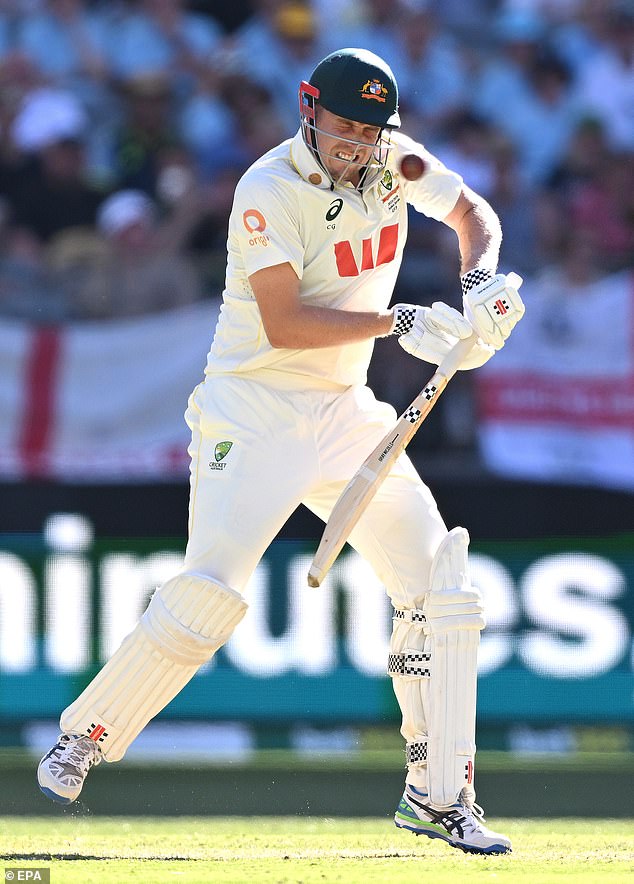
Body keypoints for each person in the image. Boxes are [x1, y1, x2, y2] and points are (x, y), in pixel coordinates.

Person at [37, 48, 524, 855]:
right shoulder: (267, 188)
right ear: (308, 109)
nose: (357, 145)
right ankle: (86, 733)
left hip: (344, 410)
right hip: (254, 407)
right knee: (208, 595)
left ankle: (437, 793)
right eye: (344, 127)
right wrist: (402, 322)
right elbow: (286, 324)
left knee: (439, 583)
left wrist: (478, 289)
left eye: (372, 130)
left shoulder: (395, 162)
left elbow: (475, 216)